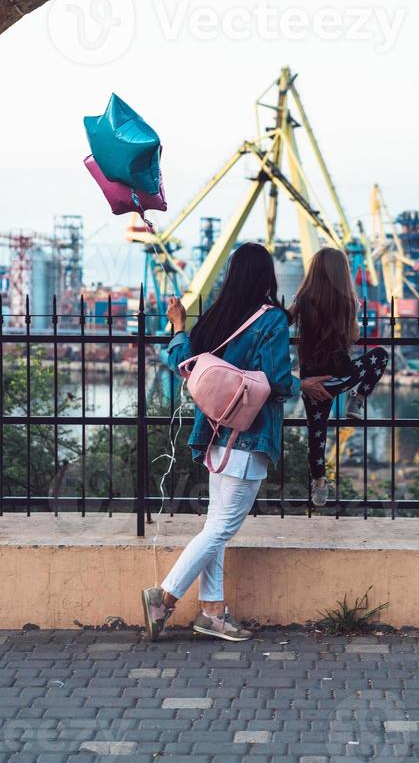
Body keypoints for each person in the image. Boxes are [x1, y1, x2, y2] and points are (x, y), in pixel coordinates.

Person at [141, 242, 329, 643]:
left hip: (213, 432)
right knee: (223, 528)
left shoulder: (215, 316)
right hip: (248, 434)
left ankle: (213, 613)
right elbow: (277, 381)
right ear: (267, 277)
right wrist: (304, 384)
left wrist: (177, 327)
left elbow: (183, 364)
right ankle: (164, 596)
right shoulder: (272, 320)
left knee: (215, 526)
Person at [290, 247, 389, 508]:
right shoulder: (347, 302)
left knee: (316, 434)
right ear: (342, 273)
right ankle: (357, 400)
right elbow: (354, 337)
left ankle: (319, 484)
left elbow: (283, 321)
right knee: (380, 356)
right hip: (341, 377)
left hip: (312, 382)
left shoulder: (302, 300)